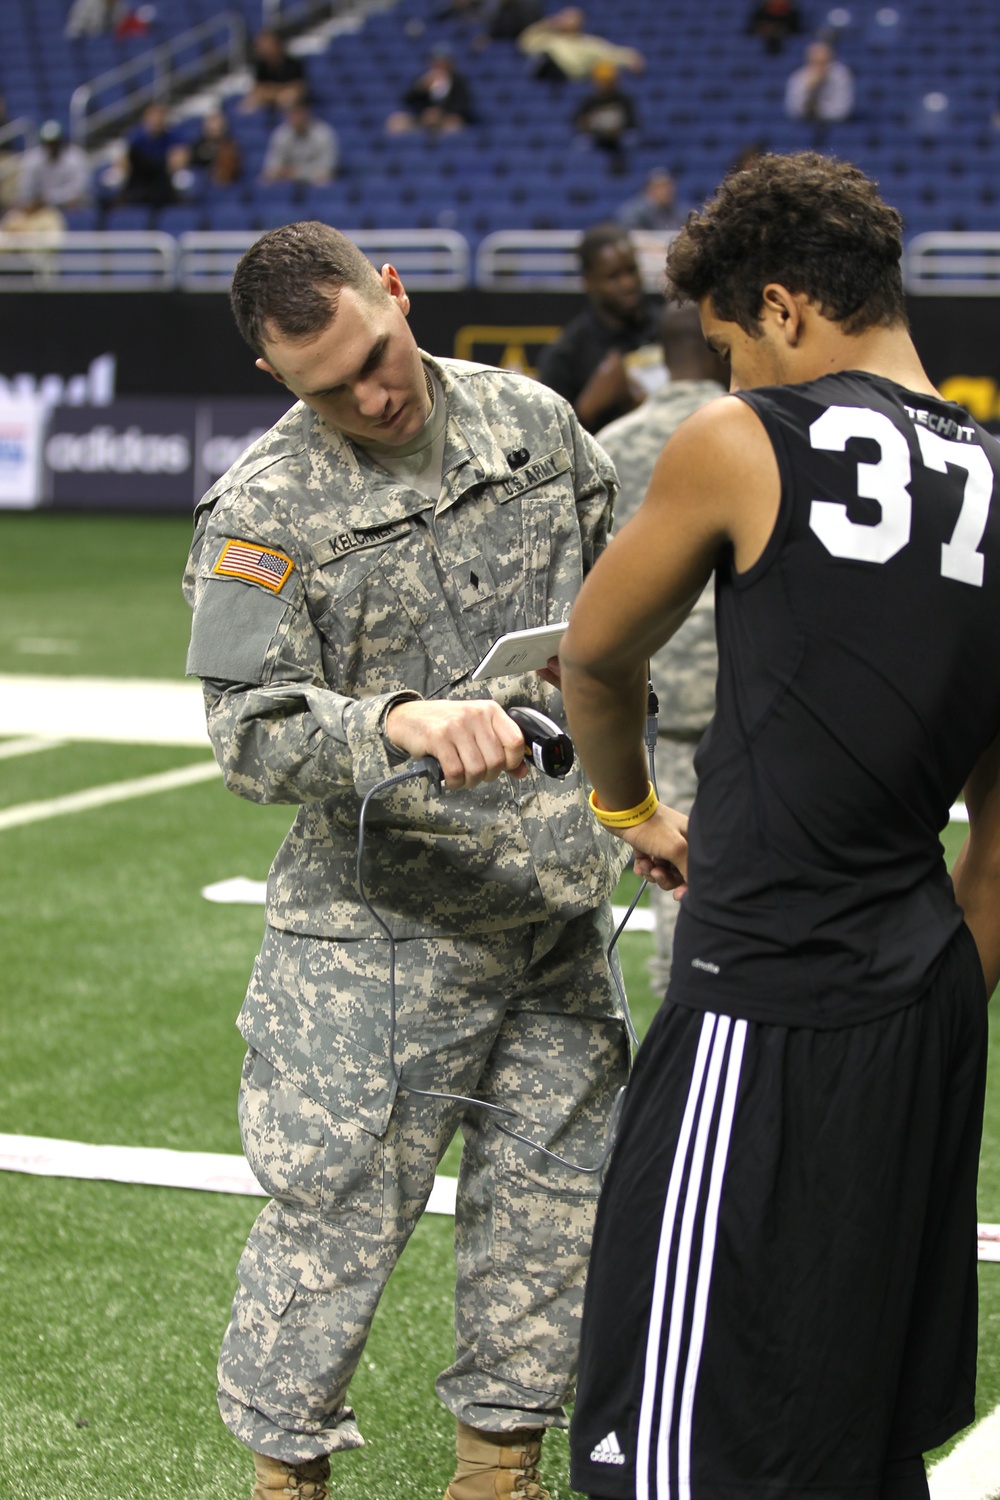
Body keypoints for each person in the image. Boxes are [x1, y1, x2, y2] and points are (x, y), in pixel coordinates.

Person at [558, 151, 1000, 1500]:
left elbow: (592, 659)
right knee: (856, 1408)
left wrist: (626, 805)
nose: (732, 374)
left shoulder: (740, 441)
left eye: (735, 342)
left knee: (679, 1429)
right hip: (923, 1000)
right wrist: (945, 979)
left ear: (789, 308)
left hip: (763, 987)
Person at [182, 220, 631, 1500]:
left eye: (377, 355)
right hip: (378, 946)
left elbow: (613, 630)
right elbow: (247, 733)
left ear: (395, 288)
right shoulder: (264, 508)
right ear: (280, 379)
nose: (372, 394)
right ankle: (288, 1483)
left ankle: (498, 1475)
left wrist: (635, 800)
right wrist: (393, 723)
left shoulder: (535, 424)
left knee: (551, 1225)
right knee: (331, 1236)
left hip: (550, 912)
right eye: (328, 386)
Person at [594, 305, 727, 991]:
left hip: (656, 671)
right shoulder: (756, 433)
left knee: (676, 837)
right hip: (745, 673)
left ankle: (687, 982)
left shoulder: (614, 440)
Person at [535, 222, 661, 432]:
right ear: (588, 281)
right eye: (614, 277)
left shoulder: (669, 331)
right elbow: (550, 445)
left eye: (631, 270)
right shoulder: (566, 356)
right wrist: (587, 410)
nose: (628, 283)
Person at [518, 8, 644, 83]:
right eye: (564, 16)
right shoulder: (550, 40)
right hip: (548, 72)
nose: (565, 20)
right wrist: (547, 24)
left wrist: (631, 57)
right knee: (540, 58)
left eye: (571, 17)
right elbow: (524, 42)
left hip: (571, 76)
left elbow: (611, 53)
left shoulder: (588, 43)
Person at [385, 47, 476, 135]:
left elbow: (463, 105)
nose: (438, 65)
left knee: (453, 125)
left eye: (442, 62)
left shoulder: (458, 81)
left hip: (447, 119)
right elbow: (407, 101)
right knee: (396, 122)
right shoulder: (424, 79)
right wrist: (420, 88)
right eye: (435, 61)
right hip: (424, 119)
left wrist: (441, 113)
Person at [572, 62, 637, 175]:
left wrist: (619, 129)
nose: (603, 84)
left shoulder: (623, 100)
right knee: (581, 144)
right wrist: (587, 125)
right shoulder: (589, 101)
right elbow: (576, 122)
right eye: (601, 81)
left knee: (631, 140)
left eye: (607, 81)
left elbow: (633, 123)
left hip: (618, 138)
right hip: (596, 138)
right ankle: (584, 174)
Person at [122, 101, 189, 208]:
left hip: (164, 182)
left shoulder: (174, 137)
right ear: (145, 119)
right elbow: (125, 162)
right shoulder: (136, 139)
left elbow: (179, 160)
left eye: (160, 117)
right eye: (153, 117)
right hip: (140, 183)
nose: (156, 121)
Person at [15, 120, 91, 211]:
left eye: (54, 142)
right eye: (48, 143)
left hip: (70, 208)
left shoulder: (76, 158)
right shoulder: (32, 159)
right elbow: (25, 190)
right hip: (40, 208)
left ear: (61, 141)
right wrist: (30, 201)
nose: (51, 147)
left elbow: (80, 191)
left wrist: (49, 198)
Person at [260, 102, 337, 185]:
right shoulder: (281, 134)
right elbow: (272, 166)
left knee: (323, 179)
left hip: (313, 178)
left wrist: (296, 172)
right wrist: (282, 172)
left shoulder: (323, 133)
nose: (296, 118)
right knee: (265, 180)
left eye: (299, 113)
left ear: (307, 113)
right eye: (292, 113)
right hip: (288, 179)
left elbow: (328, 167)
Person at [785, 38, 854, 125]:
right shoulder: (798, 76)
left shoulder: (841, 75)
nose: (819, 66)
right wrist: (809, 90)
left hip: (834, 125)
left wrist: (818, 111)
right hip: (804, 125)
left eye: (823, 62)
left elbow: (843, 110)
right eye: (815, 62)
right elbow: (793, 109)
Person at [240, 28, 308, 114]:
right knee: (247, 103)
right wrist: (276, 93)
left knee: (288, 97)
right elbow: (258, 89)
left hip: (289, 102)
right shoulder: (261, 66)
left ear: (277, 44)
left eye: (268, 45)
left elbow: (298, 88)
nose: (264, 48)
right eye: (261, 45)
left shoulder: (292, 63)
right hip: (271, 100)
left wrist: (269, 91)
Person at [615, 168, 686, 232]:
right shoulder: (635, 210)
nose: (666, 191)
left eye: (669, 187)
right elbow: (629, 230)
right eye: (661, 187)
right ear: (649, 189)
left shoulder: (679, 211)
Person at [189, 109, 242, 186]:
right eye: (210, 122)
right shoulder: (196, 146)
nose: (213, 126)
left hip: (226, 185)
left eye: (216, 121)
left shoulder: (230, 145)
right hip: (202, 184)